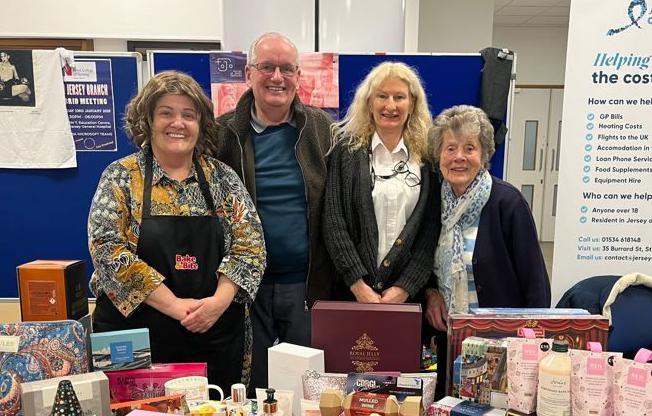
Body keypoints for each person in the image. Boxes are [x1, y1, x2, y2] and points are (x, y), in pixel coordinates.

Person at [88, 71, 266, 395]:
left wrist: (216, 303)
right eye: (166, 112)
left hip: (214, 334)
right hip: (139, 338)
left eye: (188, 114)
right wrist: (175, 306)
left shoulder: (222, 179)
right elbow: (107, 248)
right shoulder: (121, 177)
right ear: (147, 120)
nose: (178, 123)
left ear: (201, 124)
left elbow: (250, 247)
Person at [216, 32, 334, 393]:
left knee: (308, 385)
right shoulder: (222, 133)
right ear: (249, 74)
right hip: (245, 286)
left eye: (286, 68)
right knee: (254, 384)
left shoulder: (322, 129)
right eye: (267, 67)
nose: (277, 77)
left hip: (307, 284)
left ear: (299, 75)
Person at [424, 105, 550, 397]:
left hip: (502, 340)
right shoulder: (431, 203)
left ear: (484, 155)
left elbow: (535, 282)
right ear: (439, 155)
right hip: (447, 338)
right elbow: (421, 263)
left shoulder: (508, 203)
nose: (459, 157)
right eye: (450, 148)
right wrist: (431, 293)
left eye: (470, 148)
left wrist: (532, 342)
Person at [323, 61, 440, 304]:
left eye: (399, 97)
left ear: (413, 104)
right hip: (350, 293)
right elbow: (334, 222)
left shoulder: (427, 159)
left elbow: (430, 232)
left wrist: (405, 288)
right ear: (369, 102)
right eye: (382, 96)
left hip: (407, 297)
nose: (390, 105)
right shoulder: (345, 153)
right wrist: (357, 284)